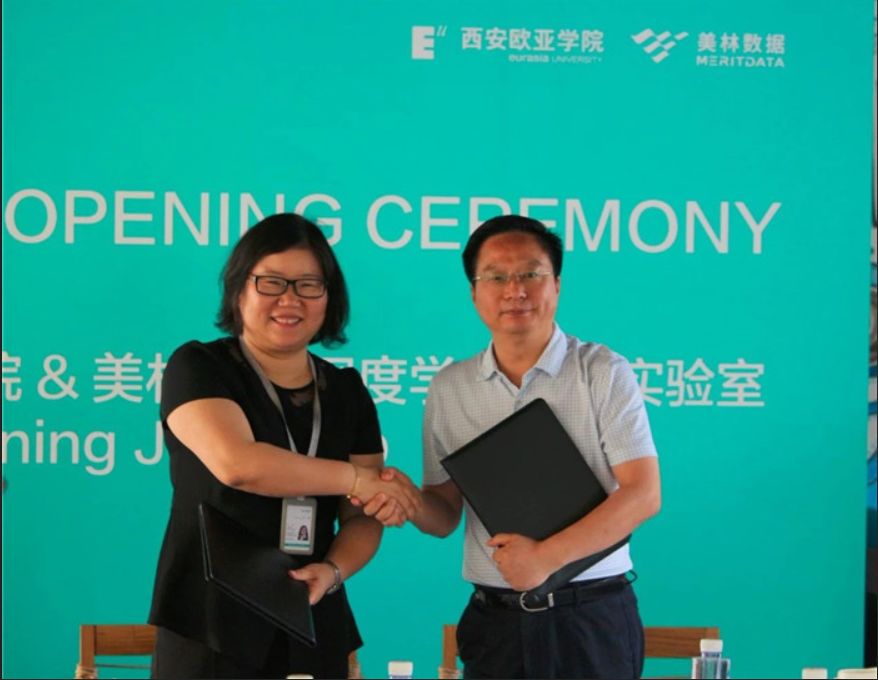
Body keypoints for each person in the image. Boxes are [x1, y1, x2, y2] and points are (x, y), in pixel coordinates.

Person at [366, 214, 661, 679]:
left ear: (556, 284)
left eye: (530, 274)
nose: (514, 290)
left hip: (589, 614)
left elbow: (643, 494)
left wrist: (546, 558)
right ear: (474, 292)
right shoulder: (450, 387)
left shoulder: (602, 372)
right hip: (496, 621)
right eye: (496, 277)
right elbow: (444, 514)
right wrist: (408, 501)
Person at [148, 212, 420, 679]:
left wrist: (333, 571)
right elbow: (239, 465)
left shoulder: (347, 390)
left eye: (309, 285)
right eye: (271, 282)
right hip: (210, 619)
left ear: (329, 297)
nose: (290, 299)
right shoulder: (199, 366)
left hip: (311, 613)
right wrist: (358, 479)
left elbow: (363, 516)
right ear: (239, 289)